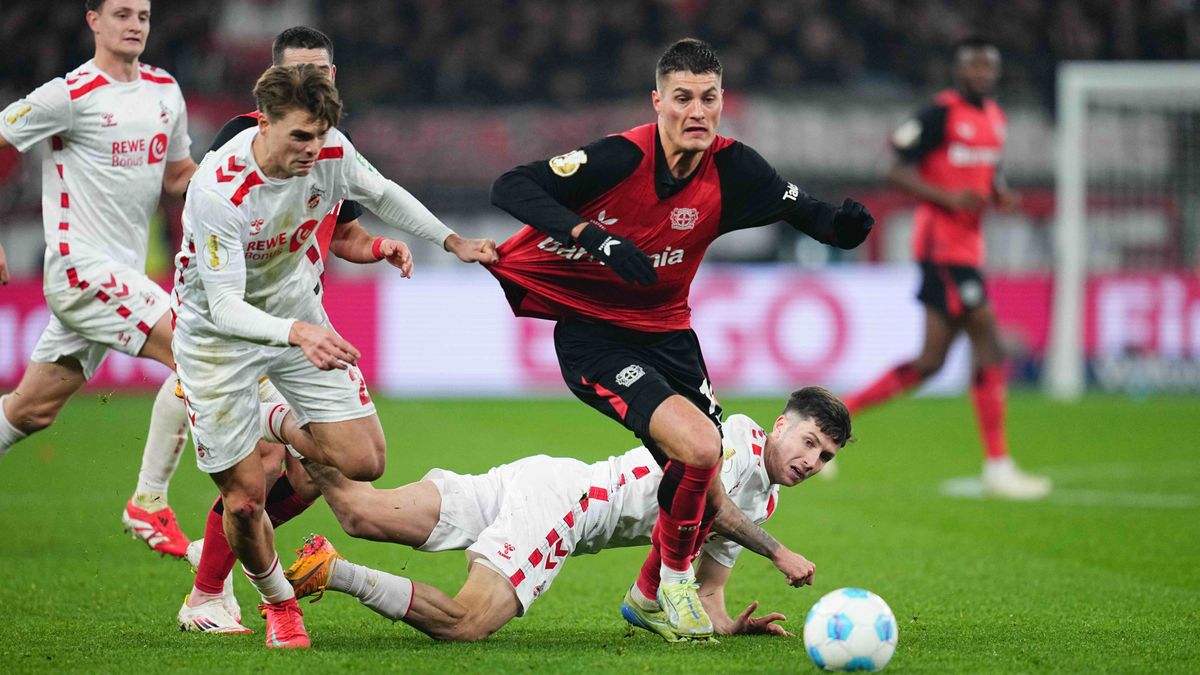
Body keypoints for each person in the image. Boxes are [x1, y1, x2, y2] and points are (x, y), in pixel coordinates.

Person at [484, 38, 874, 640]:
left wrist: (840, 230)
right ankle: (670, 587)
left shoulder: (735, 168)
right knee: (699, 449)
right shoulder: (619, 158)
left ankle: (651, 595)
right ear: (658, 101)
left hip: (668, 334)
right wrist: (597, 237)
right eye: (683, 98)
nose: (697, 111)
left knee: (703, 461)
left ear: (722, 103)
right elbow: (511, 187)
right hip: (595, 336)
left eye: (709, 98)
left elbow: (805, 209)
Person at [173, 64, 496, 648]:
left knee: (364, 461)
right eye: (299, 135)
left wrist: (451, 240)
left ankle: (272, 417)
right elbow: (221, 305)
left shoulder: (330, 152)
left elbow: (383, 192)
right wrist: (296, 332)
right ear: (263, 122)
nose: (312, 149)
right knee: (245, 502)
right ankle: (278, 604)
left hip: (298, 318)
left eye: (320, 135)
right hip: (218, 344)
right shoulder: (218, 189)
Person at [279, 386, 848, 642]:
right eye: (808, 441)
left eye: (823, 455)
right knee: (466, 623)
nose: (811, 460)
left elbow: (707, 591)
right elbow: (706, 502)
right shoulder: (738, 438)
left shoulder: (761, 499)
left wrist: (731, 625)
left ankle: (284, 418)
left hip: (548, 477)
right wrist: (776, 551)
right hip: (567, 508)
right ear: (779, 425)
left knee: (361, 512)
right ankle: (335, 570)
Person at [0, 0, 199, 557]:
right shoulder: (68, 95)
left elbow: (180, 174)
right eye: (122, 14)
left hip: (120, 277)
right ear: (93, 20)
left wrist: (239, 181)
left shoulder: (165, 91)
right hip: (80, 271)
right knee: (200, 352)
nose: (135, 24)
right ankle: (150, 502)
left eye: (143, 15)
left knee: (31, 410)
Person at [841, 36, 1050, 500]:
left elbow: (987, 172)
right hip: (941, 249)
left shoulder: (995, 119)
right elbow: (894, 169)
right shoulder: (939, 114)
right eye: (972, 66)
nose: (980, 74)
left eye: (987, 66)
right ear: (958, 71)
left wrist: (1000, 193)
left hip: (968, 251)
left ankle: (836, 414)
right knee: (989, 342)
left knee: (931, 363)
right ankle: (998, 465)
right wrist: (947, 198)